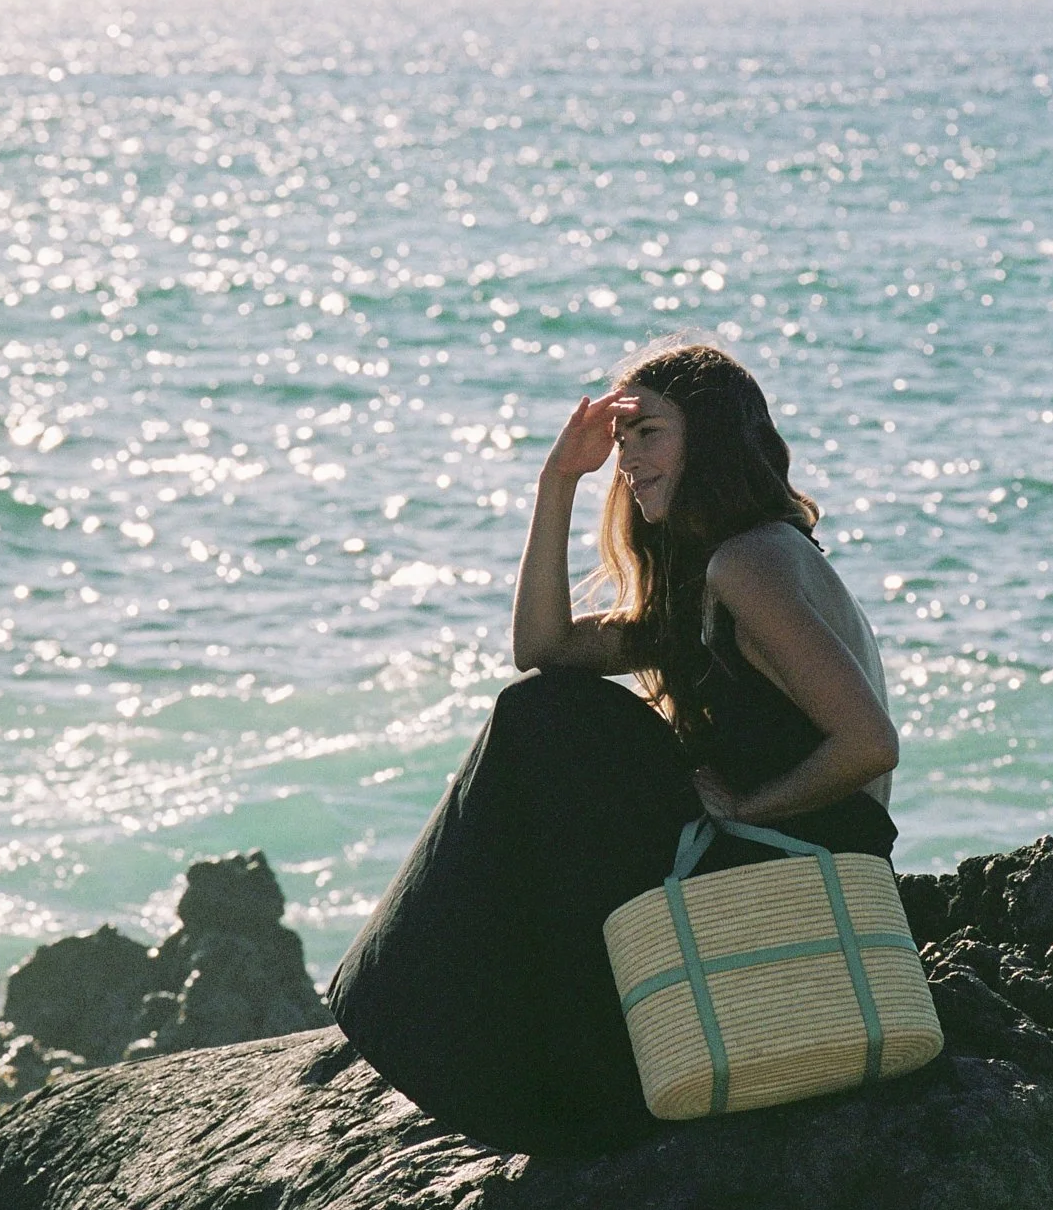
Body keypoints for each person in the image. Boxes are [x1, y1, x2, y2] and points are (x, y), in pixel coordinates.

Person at [328, 340, 901, 1156]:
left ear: (708, 438)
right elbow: (544, 644)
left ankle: (461, 1031)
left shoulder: (751, 564)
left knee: (544, 727)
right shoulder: (713, 571)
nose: (627, 457)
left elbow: (870, 744)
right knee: (546, 708)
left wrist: (744, 805)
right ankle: (555, 1062)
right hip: (770, 844)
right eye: (620, 438)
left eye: (648, 433)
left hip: (795, 854)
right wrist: (558, 480)